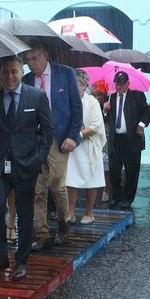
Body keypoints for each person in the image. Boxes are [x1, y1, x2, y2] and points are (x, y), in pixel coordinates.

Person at [0, 55, 52, 281]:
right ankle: (0, 257)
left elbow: (47, 132)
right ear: (0, 74)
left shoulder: (37, 97)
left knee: (24, 213)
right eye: (5, 72)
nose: (9, 77)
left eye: (14, 72)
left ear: (22, 72)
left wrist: (37, 159)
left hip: (26, 165)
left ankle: (22, 261)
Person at [22, 40, 83, 251]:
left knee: (57, 185)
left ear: (45, 55)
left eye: (35, 58)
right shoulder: (26, 81)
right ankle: (42, 233)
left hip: (59, 138)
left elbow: (76, 106)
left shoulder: (65, 74)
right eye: (28, 60)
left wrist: (73, 135)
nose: (31, 63)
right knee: (37, 189)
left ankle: (63, 223)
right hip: (35, 141)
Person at [66, 69, 106, 223]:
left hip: (89, 146)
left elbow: (96, 125)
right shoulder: (68, 100)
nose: (74, 87)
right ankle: (70, 212)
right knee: (71, 180)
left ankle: (89, 213)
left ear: (84, 85)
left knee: (91, 180)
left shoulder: (92, 101)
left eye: (78, 84)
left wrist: (79, 135)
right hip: (73, 148)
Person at [107, 71, 150, 209]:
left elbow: (148, 111)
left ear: (127, 84)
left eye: (121, 84)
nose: (118, 86)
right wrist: (105, 110)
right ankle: (116, 196)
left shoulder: (137, 96)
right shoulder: (110, 98)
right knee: (114, 169)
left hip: (131, 139)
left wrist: (141, 125)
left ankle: (127, 198)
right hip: (116, 140)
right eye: (116, 83)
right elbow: (105, 119)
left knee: (132, 170)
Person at [90, 79, 111, 202]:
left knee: (106, 165)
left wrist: (105, 111)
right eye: (96, 95)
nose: (98, 97)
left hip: (106, 138)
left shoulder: (109, 102)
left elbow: (108, 121)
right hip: (94, 138)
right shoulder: (91, 104)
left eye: (101, 95)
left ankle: (106, 190)